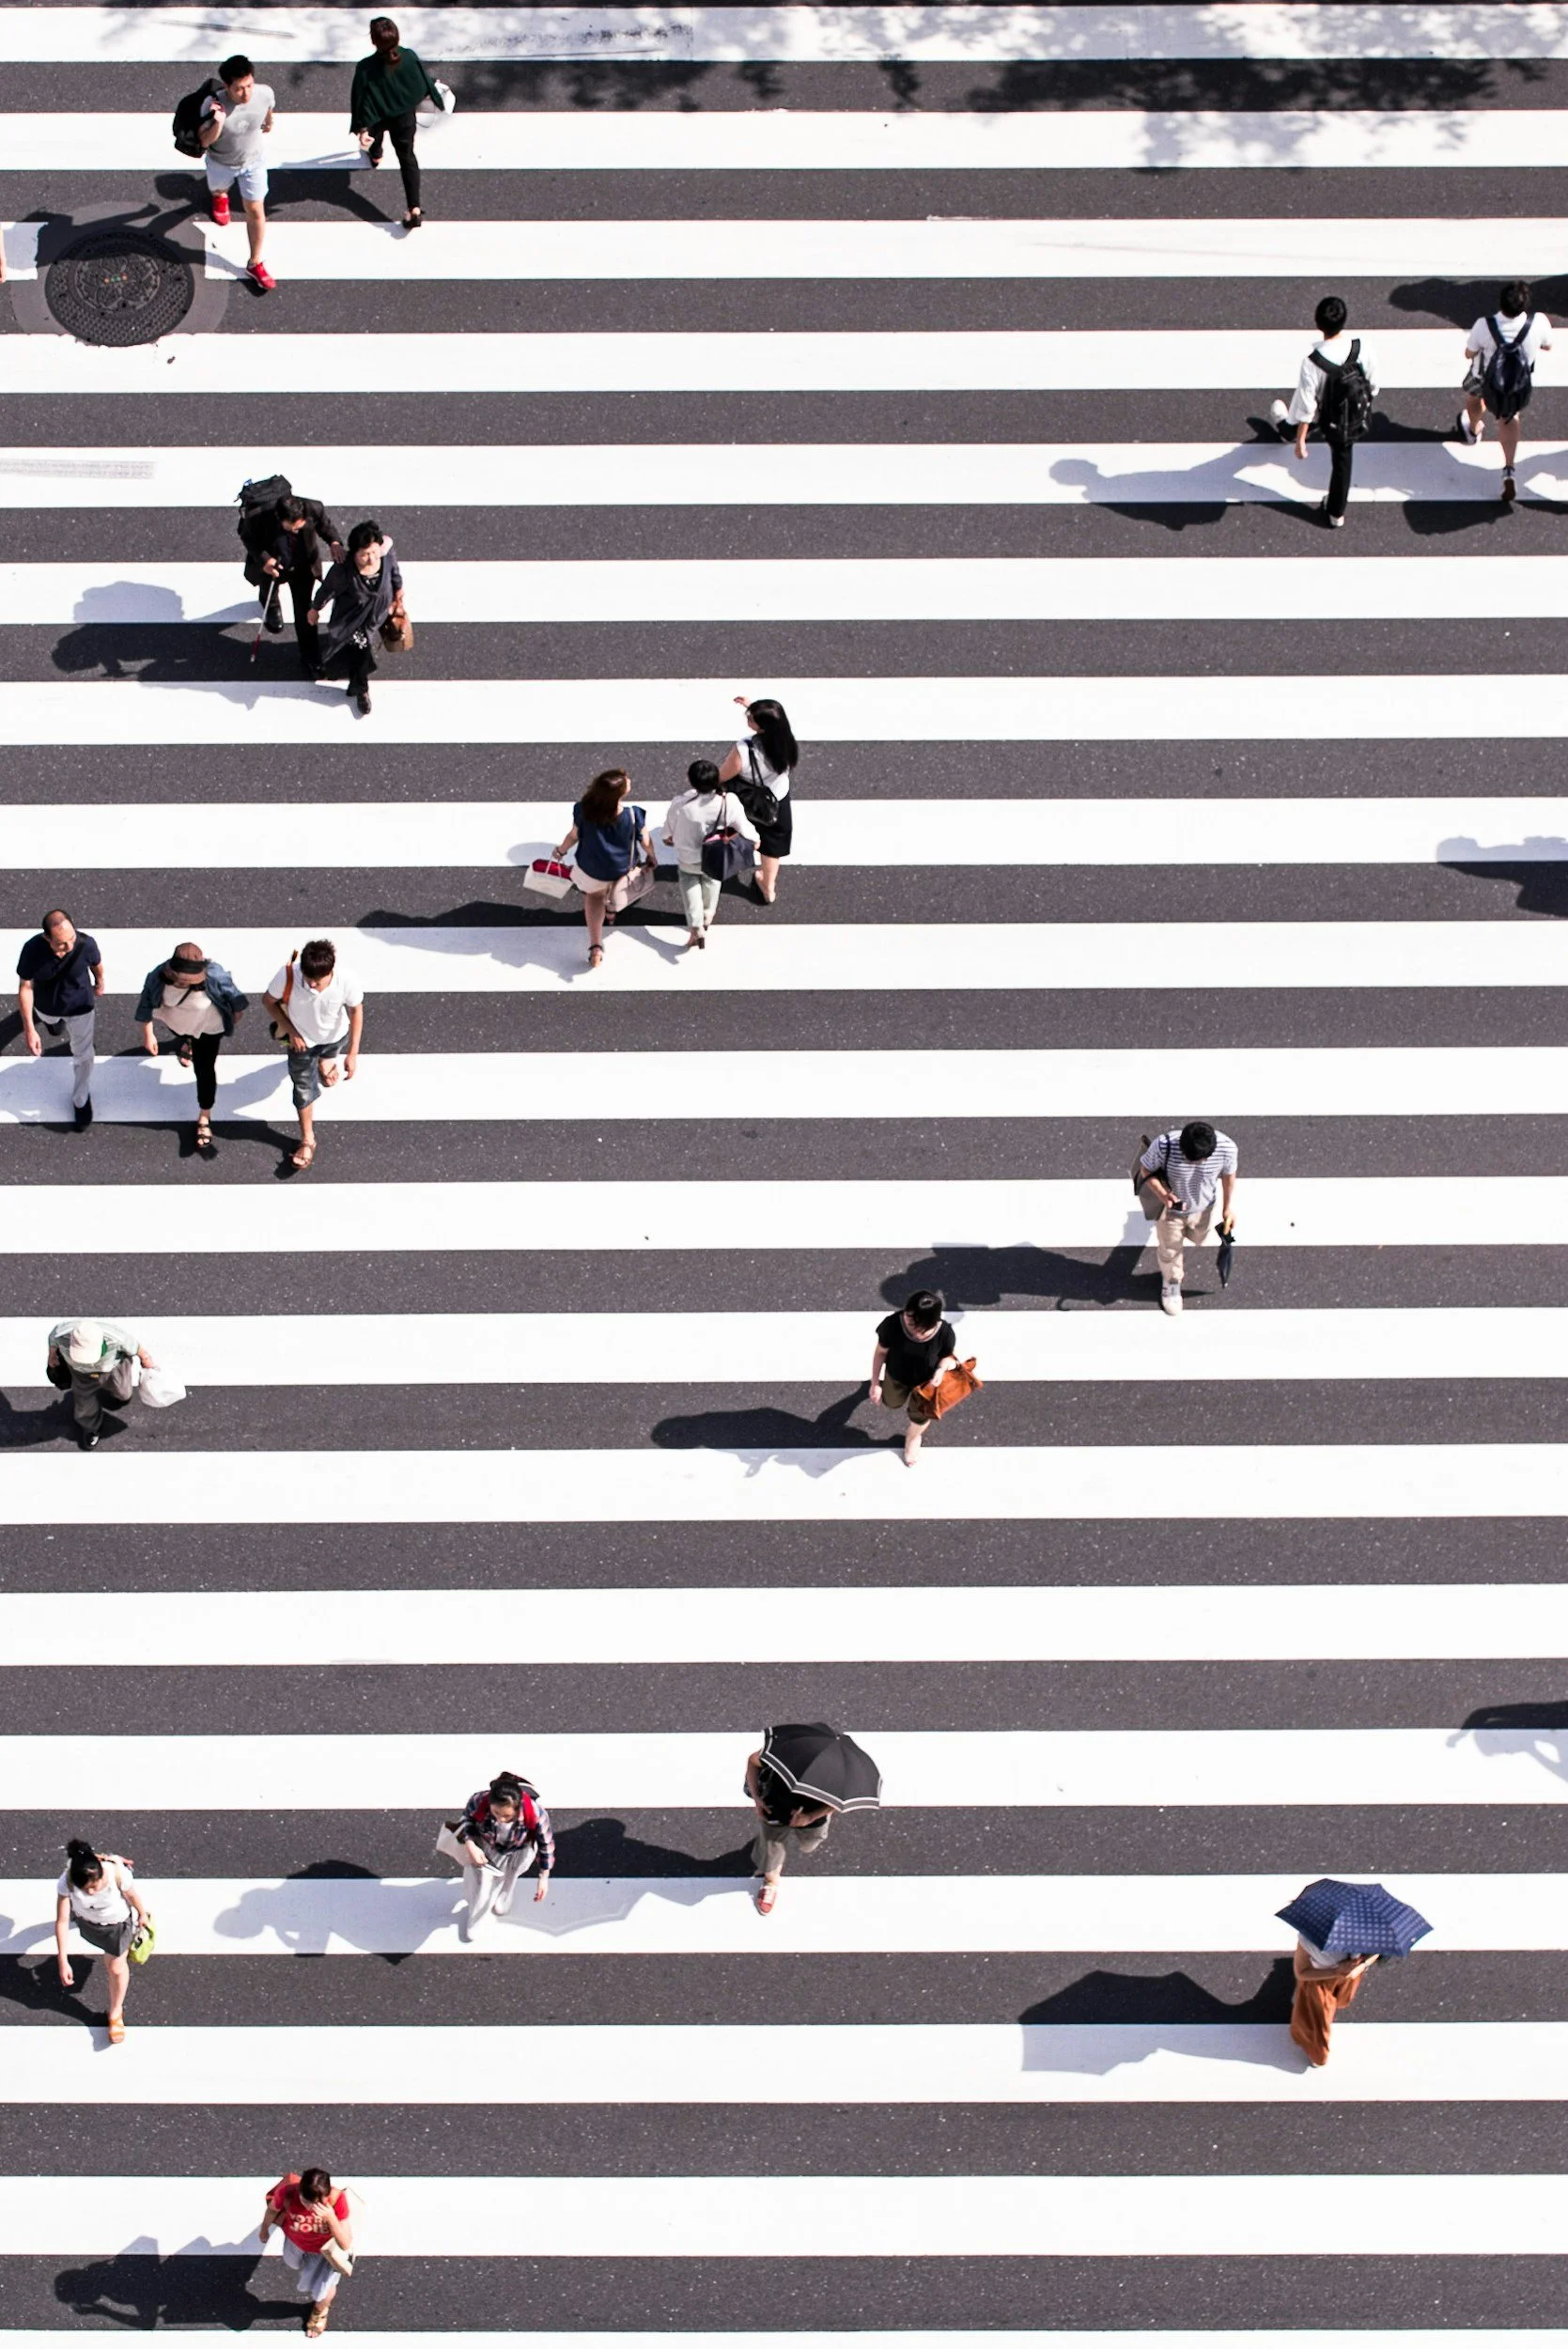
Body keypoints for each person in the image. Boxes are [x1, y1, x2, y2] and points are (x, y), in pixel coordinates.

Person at [1268, 294, 1375, 530]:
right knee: (1342, 462)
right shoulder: (1360, 347)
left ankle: (1288, 430)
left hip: (1329, 416)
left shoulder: (1313, 362)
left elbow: (1307, 407)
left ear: (1318, 324)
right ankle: (1336, 512)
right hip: (1353, 416)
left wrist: (1301, 441)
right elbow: (1373, 383)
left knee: (1305, 410)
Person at [134, 941, 248, 1159]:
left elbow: (237, 1000)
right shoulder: (157, 976)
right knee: (183, 1035)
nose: (186, 983)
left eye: (191, 980)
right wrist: (148, 1034)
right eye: (182, 980)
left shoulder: (214, 975)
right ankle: (187, 1042)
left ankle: (205, 1114)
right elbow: (145, 1004)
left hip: (209, 1029)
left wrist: (233, 1018)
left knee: (205, 1070)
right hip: (178, 1024)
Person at [261, 939, 365, 1174]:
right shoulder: (290, 974)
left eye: (318, 981)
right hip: (302, 1044)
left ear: (331, 970)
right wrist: (291, 1031)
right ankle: (308, 1139)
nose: (313, 985)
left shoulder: (346, 979)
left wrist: (353, 1054)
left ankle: (326, 1063)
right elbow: (268, 1001)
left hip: (336, 1036)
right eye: (309, 981)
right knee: (303, 1089)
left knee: (329, 1054)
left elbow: (356, 1009)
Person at [1458, 282, 1554, 505]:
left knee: (1474, 398)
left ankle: (1473, 430)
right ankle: (1509, 469)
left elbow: (1468, 353)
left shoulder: (1485, 325)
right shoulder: (1538, 322)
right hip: (1516, 384)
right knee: (1509, 419)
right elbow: (1548, 346)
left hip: (1485, 379)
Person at [554, 768, 657, 969]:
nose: (629, 780)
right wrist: (652, 856)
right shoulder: (633, 815)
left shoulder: (584, 810)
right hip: (623, 867)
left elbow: (573, 835)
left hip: (592, 867)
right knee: (617, 889)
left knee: (594, 897)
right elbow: (645, 840)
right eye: (626, 781)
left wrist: (560, 851)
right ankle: (611, 911)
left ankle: (595, 946)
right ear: (620, 794)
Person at [1136, 1119, 1238, 1315]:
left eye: (1198, 1161)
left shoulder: (1227, 1148)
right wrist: (1163, 1195)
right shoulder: (1164, 1145)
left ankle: (1177, 1258)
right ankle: (1172, 1281)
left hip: (1204, 1207)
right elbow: (1146, 1169)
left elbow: (1228, 1176)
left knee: (1199, 1238)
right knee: (1171, 1248)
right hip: (1171, 1211)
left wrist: (1227, 1209)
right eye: (1187, 1158)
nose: (1192, 1164)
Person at [54, 1838, 151, 2045]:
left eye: (95, 1886)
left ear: (101, 1873)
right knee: (112, 1964)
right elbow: (62, 1920)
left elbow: (132, 1895)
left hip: (117, 1925)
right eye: (85, 1889)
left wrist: (142, 1914)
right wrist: (63, 1959)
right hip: (88, 1923)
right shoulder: (68, 1879)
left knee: (115, 1967)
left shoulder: (117, 1875)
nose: (91, 1892)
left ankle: (116, 2013)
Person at [350, 16, 443, 230]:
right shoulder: (409, 57)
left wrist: (362, 128)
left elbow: (360, 101)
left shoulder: (365, 68)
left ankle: (376, 154)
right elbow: (422, 82)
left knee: (376, 136)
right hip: (404, 117)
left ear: (374, 42)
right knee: (407, 157)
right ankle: (414, 209)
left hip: (378, 116)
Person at [16, 908, 103, 1130]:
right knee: (53, 1028)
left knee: (84, 1054)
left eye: (72, 939)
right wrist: (29, 1029)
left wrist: (100, 981)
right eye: (61, 944)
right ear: (47, 938)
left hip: (81, 1008)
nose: (69, 947)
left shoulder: (86, 944)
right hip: (47, 1007)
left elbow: (96, 964)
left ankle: (81, 1099)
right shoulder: (32, 949)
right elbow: (25, 987)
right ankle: (51, 1025)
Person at [240, 490, 346, 673]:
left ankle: (309, 655)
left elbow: (325, 527)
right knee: (269, 588)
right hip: (273, 563)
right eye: (291, 528)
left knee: (304, 608)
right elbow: (246, 536)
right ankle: (271, 605)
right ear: (278, 517)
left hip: (303, 567)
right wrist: (264, 559)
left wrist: (335, 542)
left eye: (299, 527)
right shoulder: (260, 516)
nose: (296, 531)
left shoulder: (314, 508)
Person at [306, 520, 405, 714]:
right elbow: (326, 590)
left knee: (358, 648)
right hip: (351, 619)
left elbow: (394, 573)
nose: (371, 559)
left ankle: (354, 678)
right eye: (364, 555)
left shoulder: (386, 556)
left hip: (376, 615)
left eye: (374, 553)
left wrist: (398, 594)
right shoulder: (344, 570)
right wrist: (315, 608)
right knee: (361, 650)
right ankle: (361, 689)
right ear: (354, 553)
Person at [199, 54, 277, 293]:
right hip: (221, 163)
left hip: (253, 162)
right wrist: (219, 122)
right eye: (239, 89)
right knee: (219, 188)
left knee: (255, 210)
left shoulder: (264, 93)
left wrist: (269, 122)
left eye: (249, 86)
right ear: (226, 86)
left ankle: (254, 262)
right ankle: (220, 196)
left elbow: (268, 109)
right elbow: (204, 141)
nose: (246, 94)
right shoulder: (212, 105)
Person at [661, 756, 754, 948]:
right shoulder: (728, 801)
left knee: (689, 881)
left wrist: (668, 838)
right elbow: (744, 827)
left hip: (688, 855)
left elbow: (668, 831)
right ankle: (707, 915)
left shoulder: (681, 804)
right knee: (712, 880)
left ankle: (696, 926)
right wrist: (755, 840)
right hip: (716, 855)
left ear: (690, 779)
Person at [452, 1768, 555, 1939]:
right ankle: (476, 1919)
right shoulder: (479, 1801)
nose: (501, 1819)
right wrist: (471, 1844)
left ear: (518, 1806)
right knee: (483, 1886)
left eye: (507, 1816)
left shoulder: (536, 1814)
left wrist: (543, 1876)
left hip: (520, 1850)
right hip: (488, 1847)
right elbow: (466, 1821)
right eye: (496, 1813)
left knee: (511, 1875)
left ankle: (505, 1895)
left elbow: (546, 1844)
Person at [717, 694, 798, 904]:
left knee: (733, 830)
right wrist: (753, 706)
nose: (748, 719)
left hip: (746, 799)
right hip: (776, 799)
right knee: (772, 846)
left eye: (751, 718)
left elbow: (724, 775)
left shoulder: (744, 749)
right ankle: (768, 887)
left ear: (760, 726)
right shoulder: (787, 743)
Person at [257, 2169, 354, 2338]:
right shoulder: (288, 2192)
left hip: (324, 2254)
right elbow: (273, 2210)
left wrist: (331, 2218)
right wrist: (264, 2228)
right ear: (300, 2190)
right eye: (305, 2200)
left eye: (316, 2203)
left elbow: (345, 2243)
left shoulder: (337, 2200)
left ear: (326, 2196)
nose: (309, 2207)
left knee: (323, 2289)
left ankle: (320, 2310)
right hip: (296, 2244)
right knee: (292, 2263)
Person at [869, 1287, 959, 1469]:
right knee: (891, 1402)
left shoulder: (944, 1333)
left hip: (926, 1384)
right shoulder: (893, 1324)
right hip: (896, 1376)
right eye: (907, 1317)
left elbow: (947, 1357)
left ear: (931, 1322)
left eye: (915, 1323)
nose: (908, 1323)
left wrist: (941, 1370)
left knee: (920, 1415)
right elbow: (880, 1353)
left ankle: (913, 1438)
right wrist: (875, 1383)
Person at [45, 1317, 159, 1452]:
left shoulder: (115, 1337)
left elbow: (136, 1348)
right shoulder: (61, 1333)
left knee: (123, 1393)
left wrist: (146, 1360)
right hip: (81, 1374)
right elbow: (53, 1340)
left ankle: (116, 1398)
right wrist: (52, 1355)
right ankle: (91, 1427)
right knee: (84, 1404)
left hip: (114, 1367)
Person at [744, 1743, 831, 1916]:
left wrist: (811, 1817)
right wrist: (756, 1798)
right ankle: (770, 1882)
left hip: (812, 1816)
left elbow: (836, 1802)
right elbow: (753, 1762)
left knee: (809, 1845)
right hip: (774, 1810)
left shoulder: (833, 1772)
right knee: (771, 1851)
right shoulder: (780, 1755)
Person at [1290, 1934, 1378, 2067]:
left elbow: (1379, 1951)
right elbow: (1301, 1972)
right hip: (1320, 1981)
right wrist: (1339, 1971)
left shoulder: (1369, 1934)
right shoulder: (1309, 1939)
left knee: (1330, 2006)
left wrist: (1361, 1966)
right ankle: (1317, 2052)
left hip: (1348, 1976)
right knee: (1318, 2020)